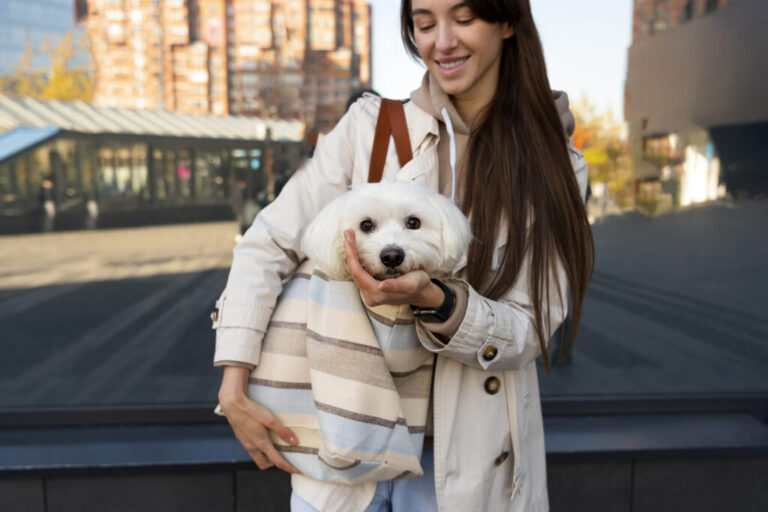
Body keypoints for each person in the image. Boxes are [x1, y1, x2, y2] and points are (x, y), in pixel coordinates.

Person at [212, 1, 593, 511]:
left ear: (506, 21)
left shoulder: (557, 167)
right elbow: (269, 241)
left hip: (463, 467)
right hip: (343, 454)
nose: (442, 42)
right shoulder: (370, 128)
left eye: (464, 18)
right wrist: (233, 384)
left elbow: (530, 326)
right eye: (425, 23)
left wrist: (439, 303)